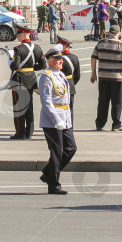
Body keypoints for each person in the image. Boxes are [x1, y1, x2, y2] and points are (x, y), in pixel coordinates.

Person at [37, 44, 76, 195]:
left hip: (65, 118)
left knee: (71, 148)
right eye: (57, 58)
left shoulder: (60, 74)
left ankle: (48, 173)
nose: (61, 61)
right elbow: (46, 101)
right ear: (50, 60)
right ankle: (54, 184)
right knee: (57, 151)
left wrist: (65, 120)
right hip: (52, 120)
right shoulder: (47, 76)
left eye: (61, 58)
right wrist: (56, 120)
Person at [90, 24, 122, 131]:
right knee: (118, 101)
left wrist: (93, 74)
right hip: (117, 77)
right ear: (119, 34)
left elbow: (93, 58)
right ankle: (116, 123)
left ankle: (100, 123)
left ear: (109, 33)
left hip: (103, 77)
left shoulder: (100, 43)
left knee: (103, 101)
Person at [8, 26, 45, 139]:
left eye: (19, 34)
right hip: (31, 79)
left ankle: (20, 133)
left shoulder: (18, 49)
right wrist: (31, 68)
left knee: (19, 108)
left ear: (25, 34)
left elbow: (16, 66)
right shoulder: (37, 48)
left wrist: (10, 62)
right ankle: (29, 132)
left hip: (19, 79)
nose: (17, 36)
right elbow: (43, 65)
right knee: (29, 107)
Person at [57, 36, 81, 118]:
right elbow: (77, 75)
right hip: (70, 85)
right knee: (70, 110)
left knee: (59, 109)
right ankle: (69, 129)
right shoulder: (75, 57)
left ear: (64, 46)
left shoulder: (58, 58)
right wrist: (72, 83)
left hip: (59, 86)